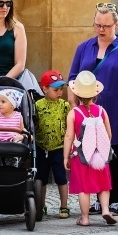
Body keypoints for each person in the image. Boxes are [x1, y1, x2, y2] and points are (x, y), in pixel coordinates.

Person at [69, 3, 118, 216]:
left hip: (116, 110)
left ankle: (116, 199)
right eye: (97, 25)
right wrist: (74, 107)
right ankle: (100, 201)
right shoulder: (84, 47)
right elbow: (72, 78)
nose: (101, 29)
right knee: (92, 155)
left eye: (106, 26)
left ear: (117, 25)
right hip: (88, 113)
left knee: (116, 155)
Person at [64, 71, 116, 227]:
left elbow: (68, 136)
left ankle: (85, 218)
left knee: (84, 188)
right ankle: (106, 210)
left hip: (81, 156)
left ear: (76, 94)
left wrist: (66, 156)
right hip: (100, 154)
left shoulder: (74, 113)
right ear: (95, 94)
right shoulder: (101, 111)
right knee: (104, 185)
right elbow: (109, 134)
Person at [35, 70, 71, 219]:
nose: (60, 93)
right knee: (41, 178)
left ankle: (64, 206)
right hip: (41, 147)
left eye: (61, 89)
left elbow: (70, 125)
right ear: (45, 89)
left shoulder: (64, 105)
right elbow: (34, 124)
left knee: (61, 178)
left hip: (59, 148)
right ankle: (41, 205)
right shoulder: (38, 105)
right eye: (56, 90)